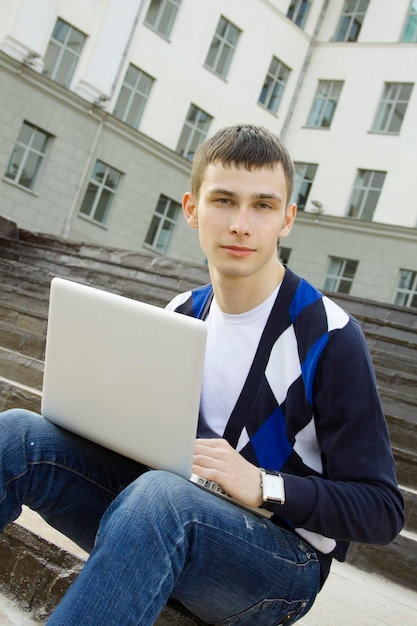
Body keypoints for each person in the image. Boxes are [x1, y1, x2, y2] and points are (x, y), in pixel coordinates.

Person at [0, 124, 403, 625]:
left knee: (161, 500)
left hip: (279, 564)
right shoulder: (181, 313)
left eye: (262, 205)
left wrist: (263, 485)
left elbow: (383, 509)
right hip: (164, 516)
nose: (240, 224)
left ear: (287, 219)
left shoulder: (329, 335)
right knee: (15, 434)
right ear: (192, 209)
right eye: (224, 201)